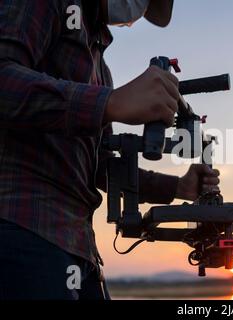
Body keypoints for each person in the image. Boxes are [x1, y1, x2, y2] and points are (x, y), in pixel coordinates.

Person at [0, 0, 220, 300]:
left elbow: (102, 166)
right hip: (22, 226)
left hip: (78, 246)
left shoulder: (100, 70)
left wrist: (179, 186)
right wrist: (109, 102)